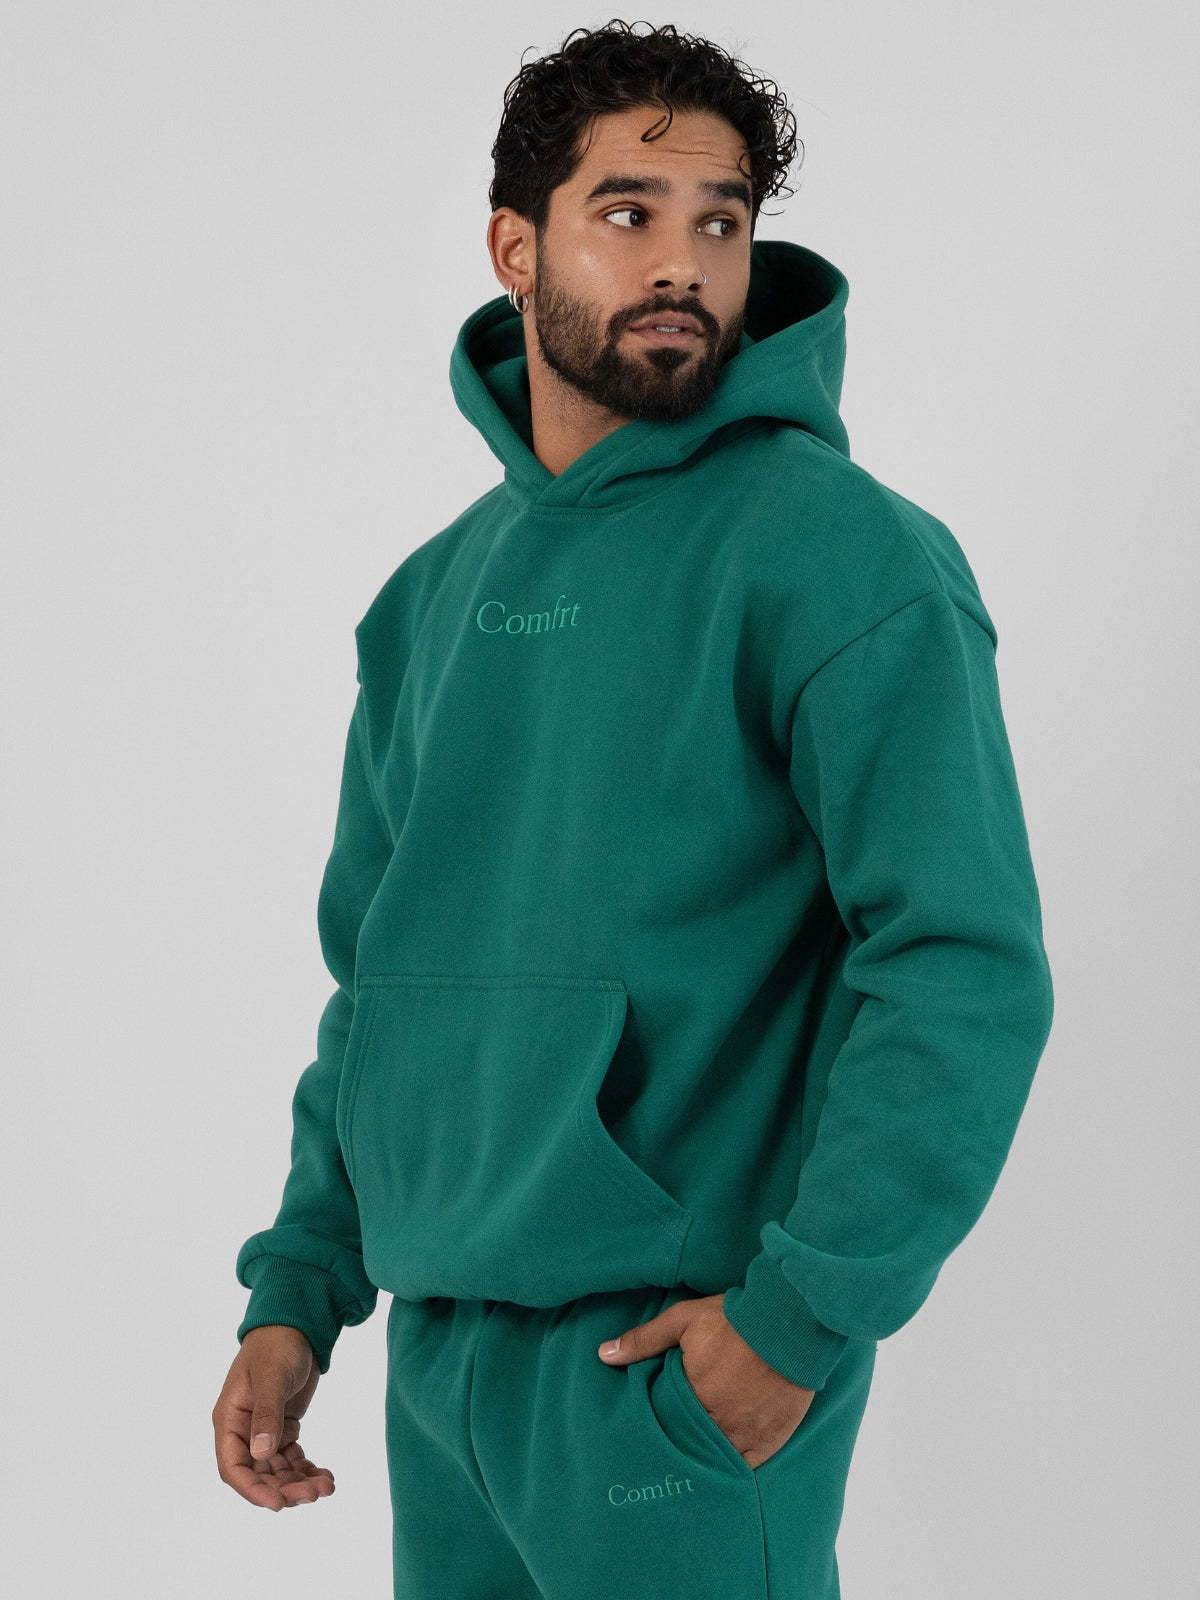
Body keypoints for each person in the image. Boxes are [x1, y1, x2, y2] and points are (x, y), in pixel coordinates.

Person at [212, 20, 1055, 1599]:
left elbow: (960, 962)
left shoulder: (844, 556)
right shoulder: (429, 601)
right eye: (629, 211)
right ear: (515, 249)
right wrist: (298, 1289)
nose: (684, 262)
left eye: (722, 220)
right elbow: (376, 992)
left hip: (673, 1369)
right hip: (439, 1375)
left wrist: (798, 1319)